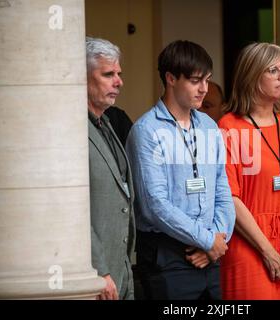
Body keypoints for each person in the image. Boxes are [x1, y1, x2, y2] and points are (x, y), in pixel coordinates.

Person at [126, 40, 235, 300]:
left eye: (207, 80)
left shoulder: (208, 125)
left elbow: (222, 187)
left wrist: (217, 240)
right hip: (168, 257)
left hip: (211, 255)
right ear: (171, 78)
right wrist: (208, 242)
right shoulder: (147, 131)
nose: (204, 90)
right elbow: (155, 205)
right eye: (196, 81)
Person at [218, 42, 280, 300]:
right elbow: (231, 197)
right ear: (251, 76)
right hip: (250, 248)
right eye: (273, 70)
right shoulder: (229, 127)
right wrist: (266, 250)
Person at [86, 36, 136, 300]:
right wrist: (100, 270)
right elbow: (74, 209)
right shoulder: (71, 127)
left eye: (119, 73)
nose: (119, 81)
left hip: (122, 270)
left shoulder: (107, 121)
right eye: (108, 74)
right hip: (97, 275)